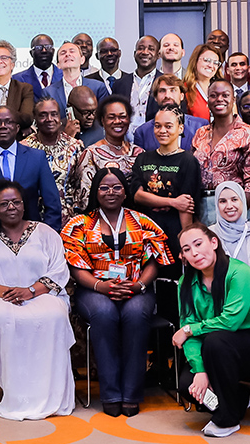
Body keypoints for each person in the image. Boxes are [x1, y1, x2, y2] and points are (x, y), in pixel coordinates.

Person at [0, 180, 74, 421]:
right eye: (4, 204)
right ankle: (16, 395)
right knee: (5, 318)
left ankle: (49, 393)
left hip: (41, 294)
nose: (11, 207)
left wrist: (30, 291)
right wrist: (1, 290)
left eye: (16, 202)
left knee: (54, 315)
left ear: (24, 204)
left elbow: (59, 272)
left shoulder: (46, 233)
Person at [60, 168, 170, 417]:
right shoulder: (79, 224)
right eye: (104, 187)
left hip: (137, 287)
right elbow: (76, 267)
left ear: (125, 191)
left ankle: (130, 394)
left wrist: (139, 285)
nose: (111, 192)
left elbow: (155, 260)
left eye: (117, 187)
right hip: (93, 289)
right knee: (104, 313)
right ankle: (110, 393)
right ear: (95, 192)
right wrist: (101, 286)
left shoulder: (142, 221)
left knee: (135, 314)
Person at [172, 225, 250, 438]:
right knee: (187, 385)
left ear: (214, 242)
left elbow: (230, 322)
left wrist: (190, 329)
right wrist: (200, 370)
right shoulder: (185, 283)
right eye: (187, 249)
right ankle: (238, 398)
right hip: (214, 350)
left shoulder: (239, 271)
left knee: (215, 340)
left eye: (198, 244)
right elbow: (189, 331)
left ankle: (227, 419)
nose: (194, 253)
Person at [0, 106, 64, 233]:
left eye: (9, 122)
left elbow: (53, 203)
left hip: (32, 237)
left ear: (17, 128)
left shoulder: (36, 158)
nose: (3, 126)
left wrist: (45, 236)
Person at [128, 108, 204, 249]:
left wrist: (185, 245)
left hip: (174, 234)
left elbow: (185, 205)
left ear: (180, 128)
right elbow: (138, 196)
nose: (162, 131)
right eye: (158, 126)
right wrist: (172, 202)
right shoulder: (143, 158)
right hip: (146, 232)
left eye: (168, 126)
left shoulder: (188, 161)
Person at [191, 80, 250, 224]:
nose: (219, 99)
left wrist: (233, 214)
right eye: (213, 95)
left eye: (225, 95)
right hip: (202, 207)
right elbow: (192, 176)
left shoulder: (248, 132)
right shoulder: (200, 133)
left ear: (234, 99)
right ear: (208, 100)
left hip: (235, 208)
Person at [70, 97, 142, 217]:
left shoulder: (139, 153)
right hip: (100, 220)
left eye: (122, 116)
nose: (117, 121)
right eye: (111, 117)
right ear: (102, 121)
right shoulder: (91, 154)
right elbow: (85, 198)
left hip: (135, 219)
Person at [20, 99, 86, 219]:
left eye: (54, 114)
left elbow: (81, 186)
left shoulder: (74, 147)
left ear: (60, 117)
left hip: (69, 218)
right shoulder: (24, 148)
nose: (49, 119)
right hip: (35, 218)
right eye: (43, 115)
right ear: (35, 118)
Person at [211, 182, 250, 302]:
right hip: (218, 302)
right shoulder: (210, 235)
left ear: (243, 201)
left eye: (234, 199)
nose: (229, 206)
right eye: (223, 201)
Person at [181, 44, 225, 120]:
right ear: (195, 61)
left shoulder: (223, 89)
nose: (211, 65)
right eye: (207, 60)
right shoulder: (184, 89)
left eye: (215, 63)